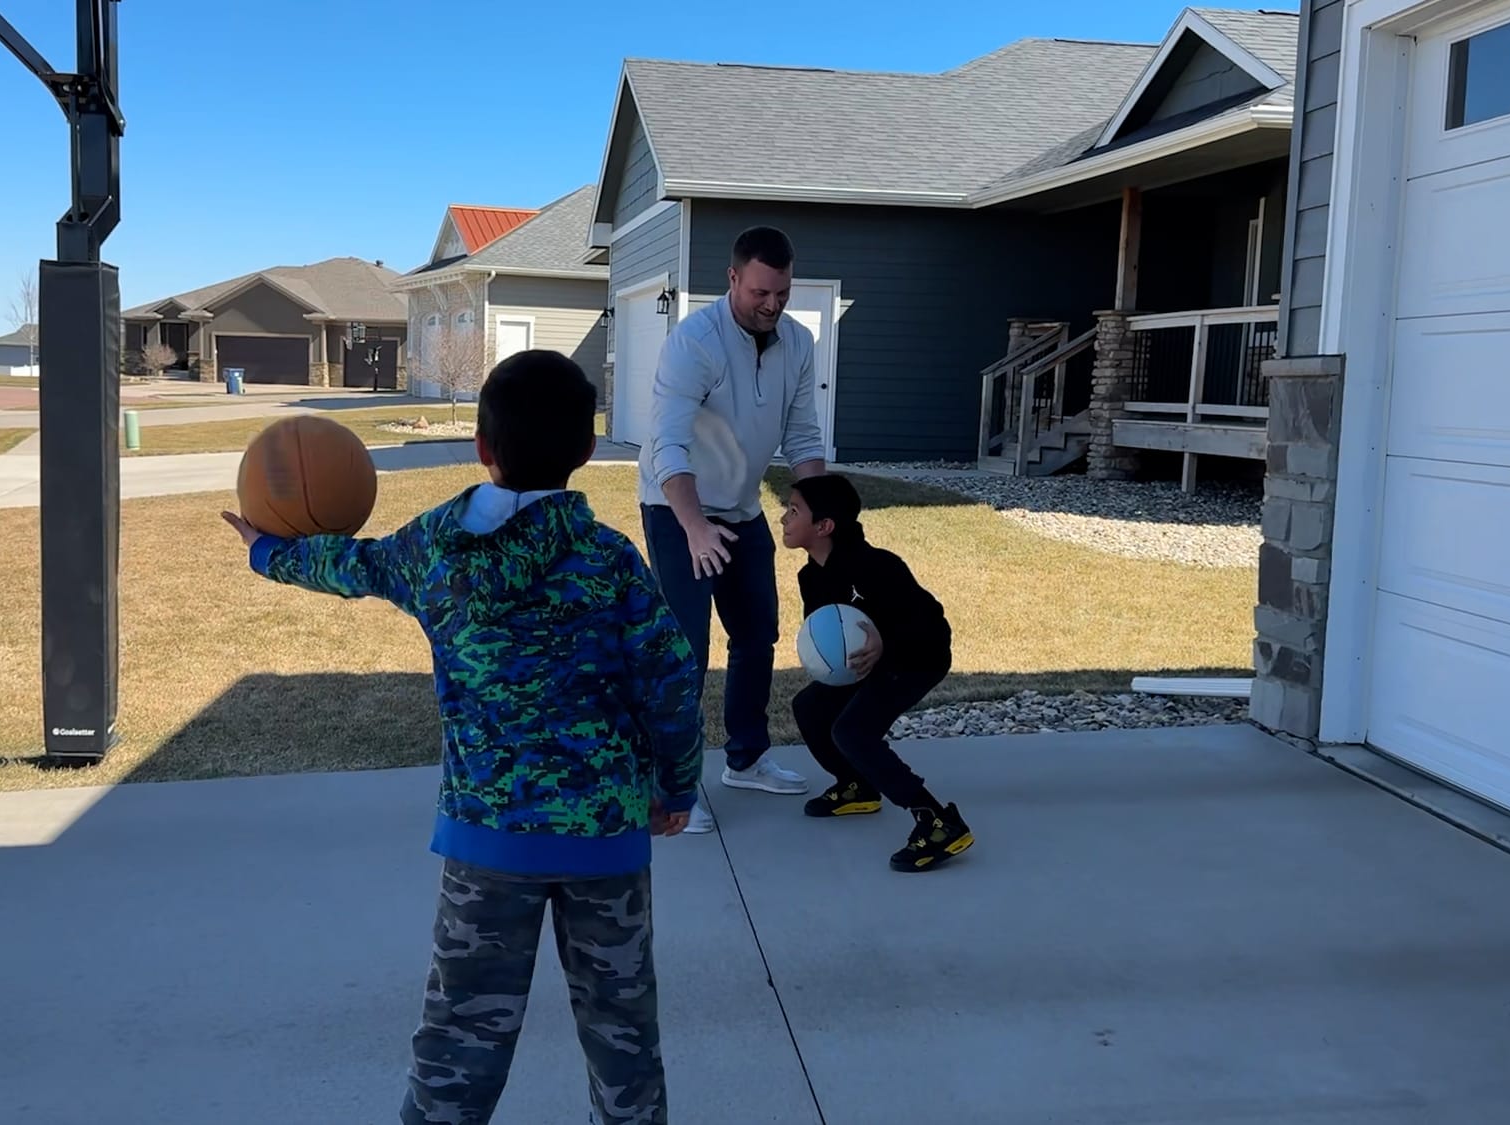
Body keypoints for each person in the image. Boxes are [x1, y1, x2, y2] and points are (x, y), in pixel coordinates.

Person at [223, 350, 703, 1125]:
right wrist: (676, 785)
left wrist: (267, 550)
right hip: (604, 842)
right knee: (623, 1045)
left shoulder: (434, 550)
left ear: (483, 447)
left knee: (457, 1047)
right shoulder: (609, 560)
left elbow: (355, 565)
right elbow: (671, 680)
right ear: (586, 452)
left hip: (486, 841)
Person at [638, 225, 828, 832]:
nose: (772, 304)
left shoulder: (798, 343)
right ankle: (674, 786)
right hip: (677, 509)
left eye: (783, 292)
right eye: (760, 292)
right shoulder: (694, 342)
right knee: (685, 652)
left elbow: (802, 437)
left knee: (756, 634)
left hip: (742, 509)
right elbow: (666, 444)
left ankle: (745, 758)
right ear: (732, 280)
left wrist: (824, 518)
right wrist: (694, 527)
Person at [780, 473, 975, 873]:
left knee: (853, 731)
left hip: (917, 659)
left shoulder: (877, 566)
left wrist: (885, 642)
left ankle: (938, 821)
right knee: (809, 707)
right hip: (866, 666)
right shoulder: (810, 577)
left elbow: (933, 625)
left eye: (794, 510)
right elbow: (826, 633)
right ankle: (858, 786)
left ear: (824, 526)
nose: (783, 517)